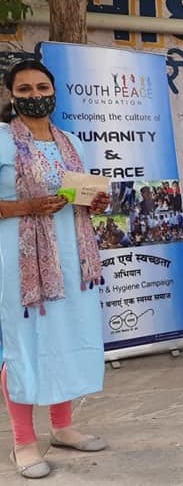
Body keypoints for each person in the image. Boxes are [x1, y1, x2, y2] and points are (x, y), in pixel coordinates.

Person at [0, 59, 110, 479]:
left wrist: (93, 202)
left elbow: (76, 192)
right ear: (12, 95)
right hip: (22, 262)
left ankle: (62, 427)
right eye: (24, 89)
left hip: (71, 259)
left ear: (54, 92)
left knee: (66, 338)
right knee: (24, 343)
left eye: (41, 87)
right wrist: (23, 207)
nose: (34, 96)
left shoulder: (73, 142)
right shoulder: (3, 140)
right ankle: (23, 442)